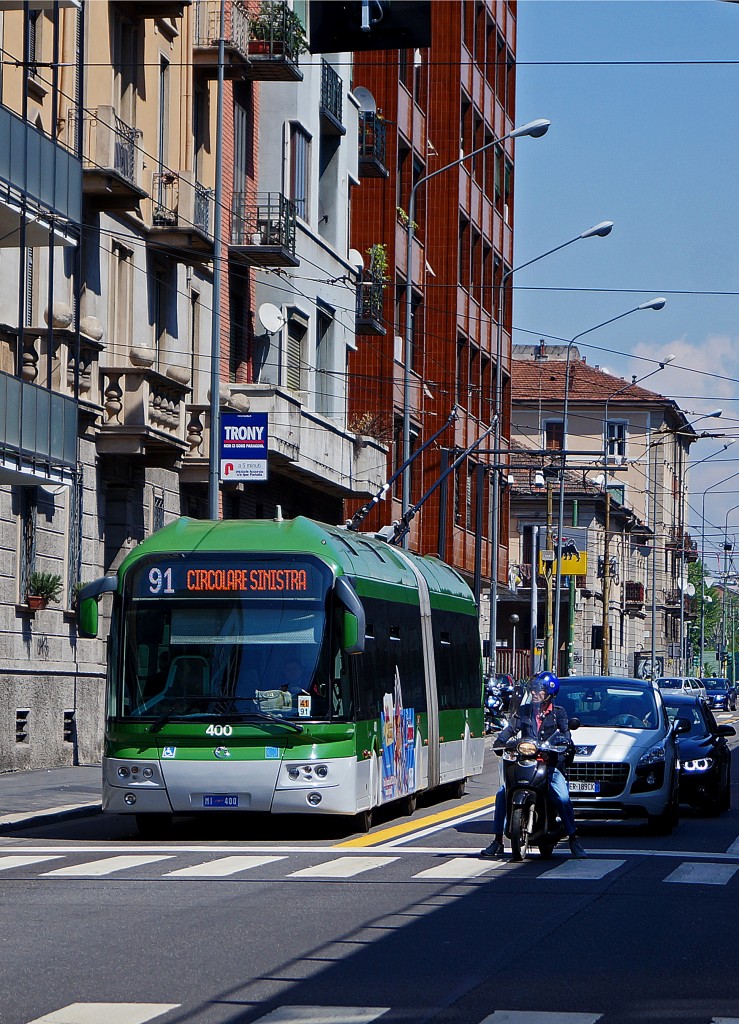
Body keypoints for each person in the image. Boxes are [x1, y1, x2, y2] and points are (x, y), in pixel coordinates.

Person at [480, 670, 587, 859]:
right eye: (534, 690)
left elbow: (565, 734)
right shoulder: (525, 710)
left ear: (550, 693)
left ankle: (573, 839)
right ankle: (497, 841)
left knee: (562, 797)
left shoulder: (558, 714)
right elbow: (511, 728)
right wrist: (501, 741)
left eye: (540, 690)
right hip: (526, 761)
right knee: (501, 794)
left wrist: (564, 743)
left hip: (549, 764)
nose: (536, 693)